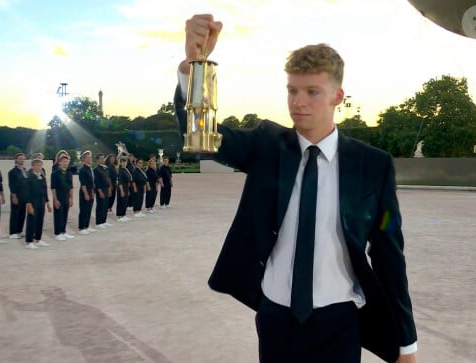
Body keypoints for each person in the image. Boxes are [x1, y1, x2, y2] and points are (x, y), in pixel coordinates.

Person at [175, 14, 417, 363]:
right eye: (292, 90)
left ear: (337, 96)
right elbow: (203, 138)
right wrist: (195, 65)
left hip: (341, 322)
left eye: (311, 92)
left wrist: (406, 345)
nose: (298, 102)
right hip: (276, 318)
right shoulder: (267, 146)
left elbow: (389, 255)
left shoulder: (373, 166)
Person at [25, 159, 51, 249]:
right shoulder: (29, 177)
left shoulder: (42, 176)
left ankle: (38, 239)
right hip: (33, 201)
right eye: (36, 165)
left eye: (40, 165)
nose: (38, 167)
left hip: (42, 201)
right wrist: (29, 204)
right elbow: (27, 192)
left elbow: (45, 190)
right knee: (31, 221)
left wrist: (47, 203)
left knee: (40, 220)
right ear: (32, 166)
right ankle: (29, 241)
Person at [51, 154, 74, 241]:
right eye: (63, 161)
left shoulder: (69, 173)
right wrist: (55, 199)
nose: (65, 163)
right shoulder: (55, 174)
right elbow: (53, 188)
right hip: (59, 197)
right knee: (58, 216)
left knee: (65, 215)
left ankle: (63, 232)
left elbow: (71, 187)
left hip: (66, 197)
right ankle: (57, 233)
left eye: (66, 161)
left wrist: (71, 199)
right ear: (59, 162)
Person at [8, 153, 29, 239]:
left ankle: (19, 230)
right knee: (15, 213)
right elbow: (11, 184)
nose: (22, 160)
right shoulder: (12, 172)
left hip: (24, 195)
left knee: (22, 213)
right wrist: (13, 195)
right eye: (20, 159)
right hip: (16, 195)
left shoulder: (25, 170)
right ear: (16, 160)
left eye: (23, 159)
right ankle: (13, 232)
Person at [78, 150, 95, 235]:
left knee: (89, 210)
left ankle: (86, 226)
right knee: (84, 210)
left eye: (90, 157)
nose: (90, 159)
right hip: (84, 192)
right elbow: (83, 183)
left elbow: (91, 183)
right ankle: (81, 228)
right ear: (84, 159)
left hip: (90, 190)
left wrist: (92, 192)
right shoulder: (82, 170)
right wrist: (86, 194)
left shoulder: (90, 169)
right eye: (88, 157)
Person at [93, 153, 112, 228]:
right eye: (101, 158)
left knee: (105, 205)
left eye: (103, 158)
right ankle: (99, 222)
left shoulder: (105, 168)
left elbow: (108, 179)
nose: (102, 160)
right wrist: (100, 191)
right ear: (97, 160)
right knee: (100, 206)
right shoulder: (96, 169)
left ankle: (104, 221)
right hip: (100, 189)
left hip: (106, 189)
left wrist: (109, 189)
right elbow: (96, 182)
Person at [116, 156, 132, 222]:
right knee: (121, 202)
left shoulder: (126, 169)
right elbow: (119, 182)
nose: (124, 163)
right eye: (122, 162)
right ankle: (119, 216)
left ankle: (123, 215)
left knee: (125, 202)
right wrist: (122, 191)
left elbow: (129, 179)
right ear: (120, 163)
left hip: (126, 187)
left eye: (125, 162)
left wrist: (127, 189)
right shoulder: (120, 171)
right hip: (121, 188)